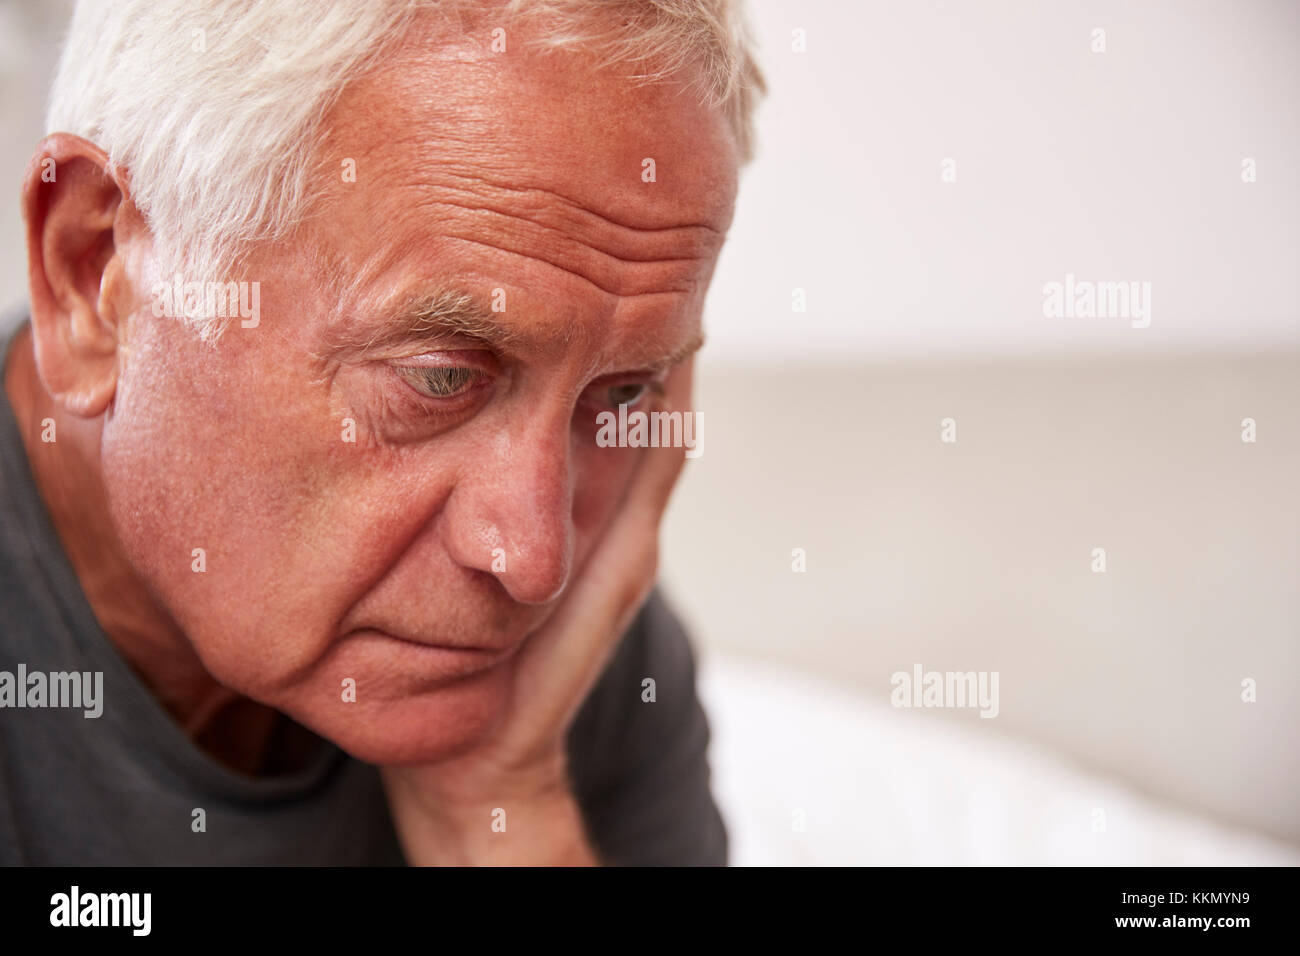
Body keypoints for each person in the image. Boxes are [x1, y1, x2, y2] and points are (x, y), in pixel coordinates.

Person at [0, 0, 764, 865]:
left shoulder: (578, 663)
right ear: (93, 275)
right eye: (440, 378)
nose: (534, 561)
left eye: (621, 393)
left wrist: (502, 805)